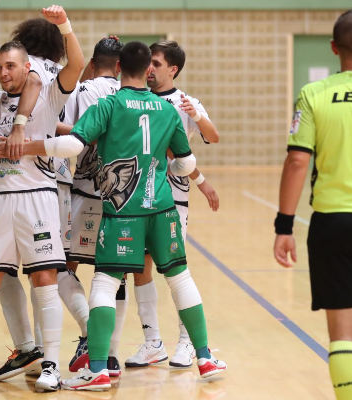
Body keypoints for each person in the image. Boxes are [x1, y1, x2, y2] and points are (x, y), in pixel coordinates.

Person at [0, 41, 227, 391]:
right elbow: (186, 163)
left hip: (122, 211)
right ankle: (205, 357)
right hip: (163, 209)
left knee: (105, 283)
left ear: (119, 68)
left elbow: (73, 145)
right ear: (147, 70)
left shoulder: (109, 105)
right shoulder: (167, 109)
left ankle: (99, 369)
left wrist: (27, 147)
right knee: (180, 278)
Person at [0, 6, 84, 392]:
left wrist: (64, 25)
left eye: (10, 66)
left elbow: (76, 63)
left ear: (27, 67)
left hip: (38, 199)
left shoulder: (51, 95)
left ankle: (51, 365)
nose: (3, 73)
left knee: (44, 278)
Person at [124, 40, 221, 370]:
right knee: (141, 268)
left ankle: (188, 341)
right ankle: (153, 342)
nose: (150, 68)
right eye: (148, 62)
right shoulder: (137, 98)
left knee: (176, 271)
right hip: (139, 197)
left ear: (173, 69)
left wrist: (197, 116)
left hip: (172, 198)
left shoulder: (184, 102)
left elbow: (212, 136)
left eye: (157, 63)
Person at [273, 9, 352, 400]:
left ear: (334, 47)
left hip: (333, 223)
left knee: (343, 333)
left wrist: (284, 226)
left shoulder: (314, 94)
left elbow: (297, 161)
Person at [58, 37, 125, 375]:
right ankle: (111, 355)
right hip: (122, 199)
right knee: (115, 277)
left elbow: (64, 130)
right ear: (120, 66)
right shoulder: (130, 95)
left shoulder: (82, 91)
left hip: (86, 191)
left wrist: (82, 132)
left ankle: (88, 334)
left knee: (62, 267)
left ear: (93, 62)